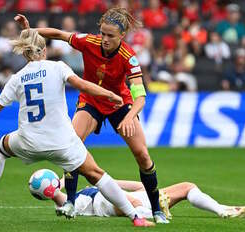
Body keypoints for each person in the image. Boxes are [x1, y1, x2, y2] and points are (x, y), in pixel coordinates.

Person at [0, 29, 153, 227]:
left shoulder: (16, 79)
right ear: (44, 51)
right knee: (97, 175)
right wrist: (109, 94)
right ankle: (135, 217)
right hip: (62, 144)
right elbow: (82, 85)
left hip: (27, 142)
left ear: (25, 54)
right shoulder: (58, 67)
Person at [15, 7, 169, 223]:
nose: (104, 39)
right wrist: (30, 31)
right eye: (103, 33)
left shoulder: (129, 57)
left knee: (142, 155)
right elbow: (59, 34)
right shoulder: (89, 42)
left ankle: (157, 210)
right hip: (91, 101)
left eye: (110, 36)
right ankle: (69, 202)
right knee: (73, 143)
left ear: (122, 36)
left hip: (119, 104)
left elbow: (140, 96)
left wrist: (129, 117)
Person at [52, 177, 245, 219]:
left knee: (186, 187)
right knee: (186, 187)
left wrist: (110, 182)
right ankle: (152, 211)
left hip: (115, 197)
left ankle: (222, 208)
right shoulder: (75, 201)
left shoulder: (89, 188)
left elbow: (139, 185)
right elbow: (57, 195)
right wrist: (55, 188)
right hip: (104, 202)